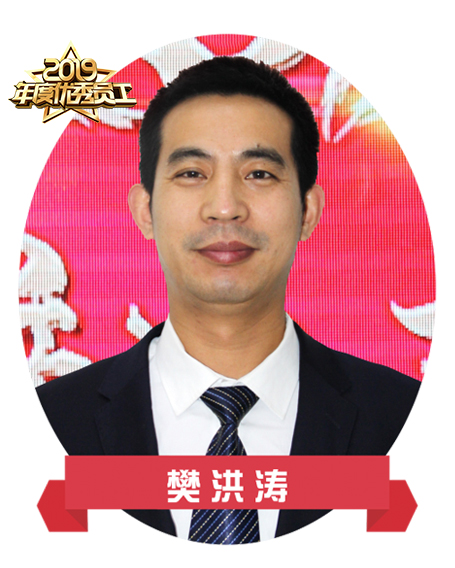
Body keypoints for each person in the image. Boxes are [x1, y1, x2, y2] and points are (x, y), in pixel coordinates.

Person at [37, 56, 420, 543]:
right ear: (145, 210)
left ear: (308, 211)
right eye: (191, 173)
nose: (225, 208)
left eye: (258, 174)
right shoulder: (48, 422)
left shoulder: (405, 418)